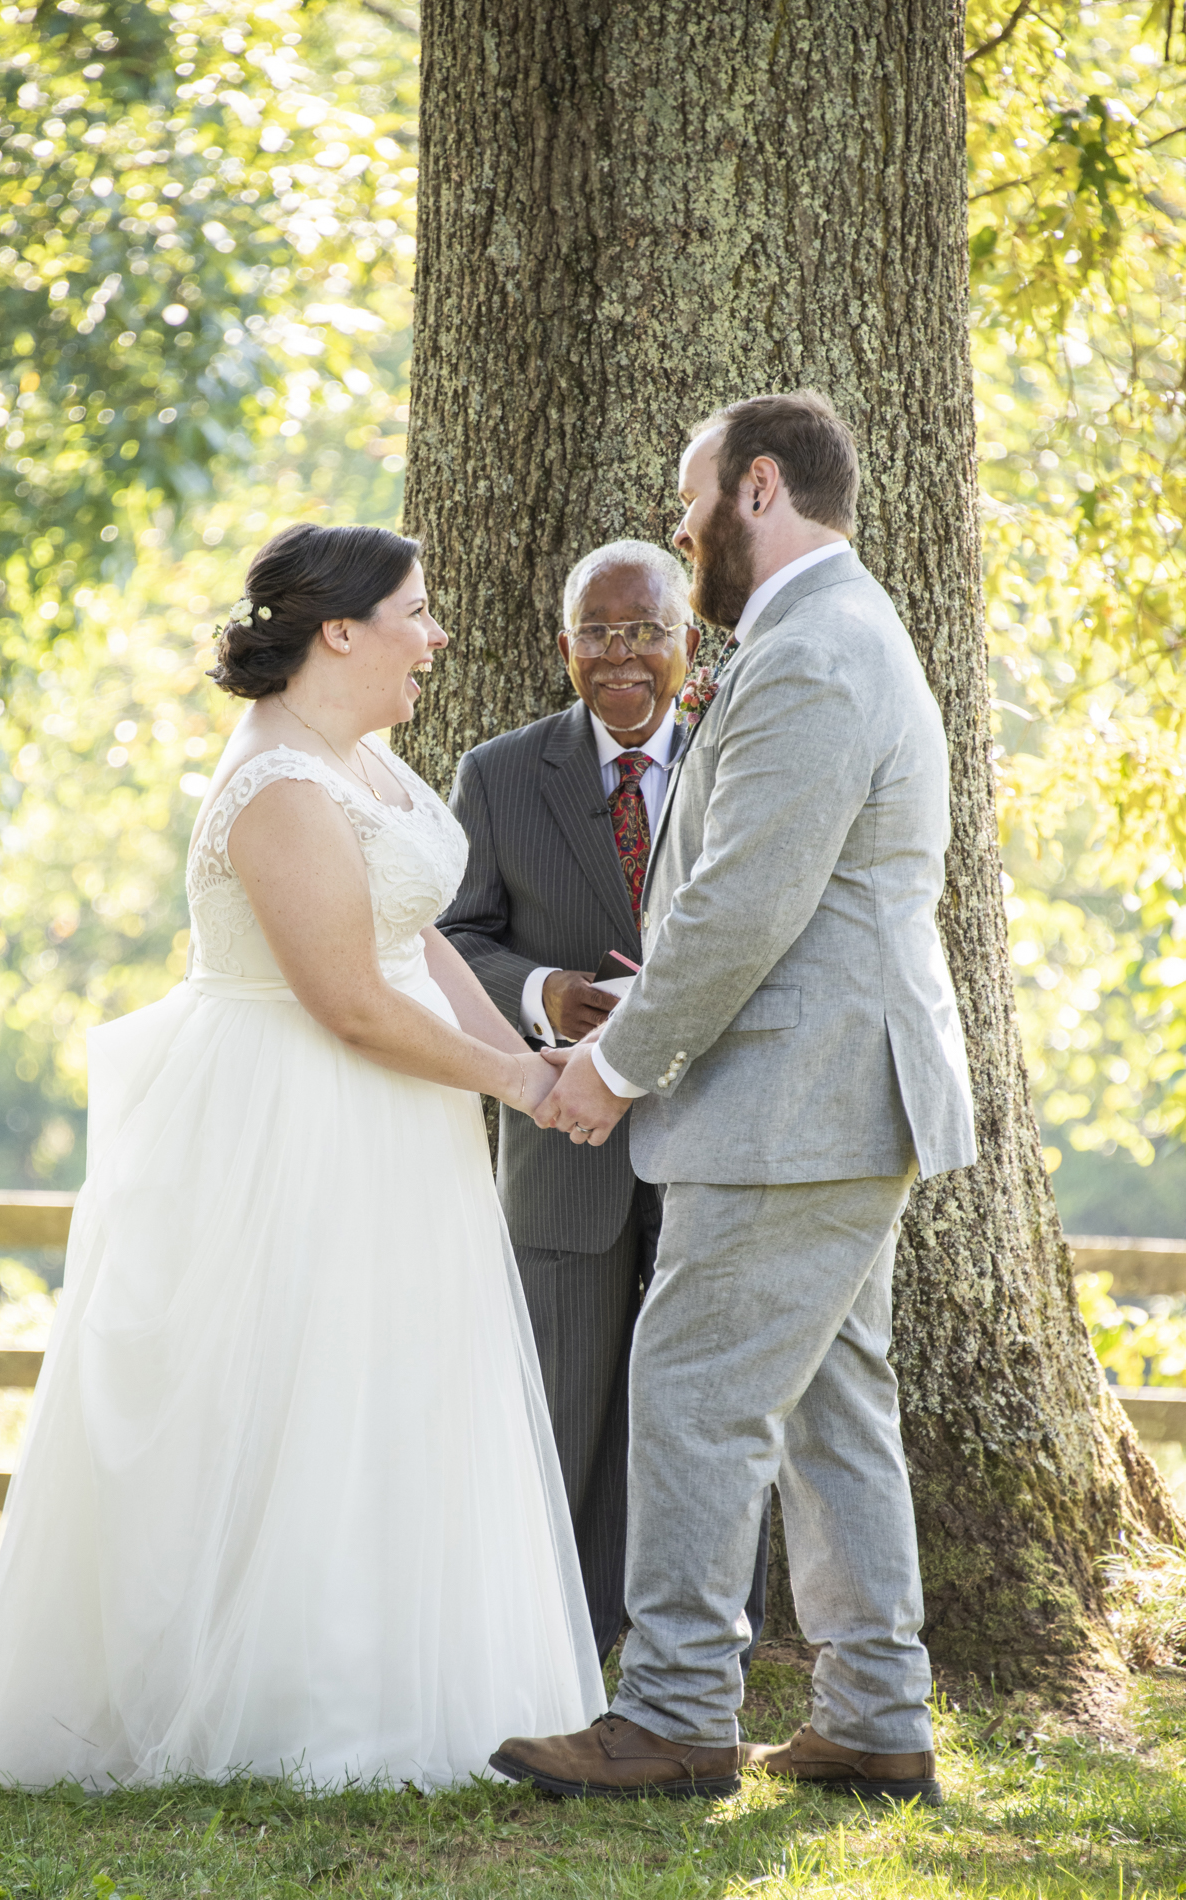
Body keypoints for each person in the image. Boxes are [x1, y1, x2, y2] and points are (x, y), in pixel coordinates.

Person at [0, 522, 604, 1791]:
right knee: (295, 1387)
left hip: (398, 1111)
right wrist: (522, 1082)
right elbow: (350, 1001)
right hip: (292, 1117)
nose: (440, 635)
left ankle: (412, 1672)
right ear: (340, 629)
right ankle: (282, 1704)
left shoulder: (359, 756)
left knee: (389, 1382)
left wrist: (535, 1063)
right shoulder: (279, 786)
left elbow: (422, 945)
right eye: (418, 611)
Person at [491, 390, 977, 1805]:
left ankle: (673, 1711)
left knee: (693, 1394)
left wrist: (609, 1069)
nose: (676, 518)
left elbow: (738, 904)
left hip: (794, 1100)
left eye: (689, 493)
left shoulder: (814, 651)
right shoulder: (813, 637)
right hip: (823, 1095)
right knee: (833, 1407)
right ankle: (875, 1714)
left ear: (757, 489)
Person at [438, 540, 770, 1665]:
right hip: (559, 1143)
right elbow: (449, 938)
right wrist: (541, 993)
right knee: (560, 1400)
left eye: (643, 631)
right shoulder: (498, 772)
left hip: (710, 1129)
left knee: (701, 1406)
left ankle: (705, 1641)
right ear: (564, 644)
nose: (619, 656)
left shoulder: (743, 759)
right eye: (596, 632)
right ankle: (559, 1635)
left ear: (688, 642)